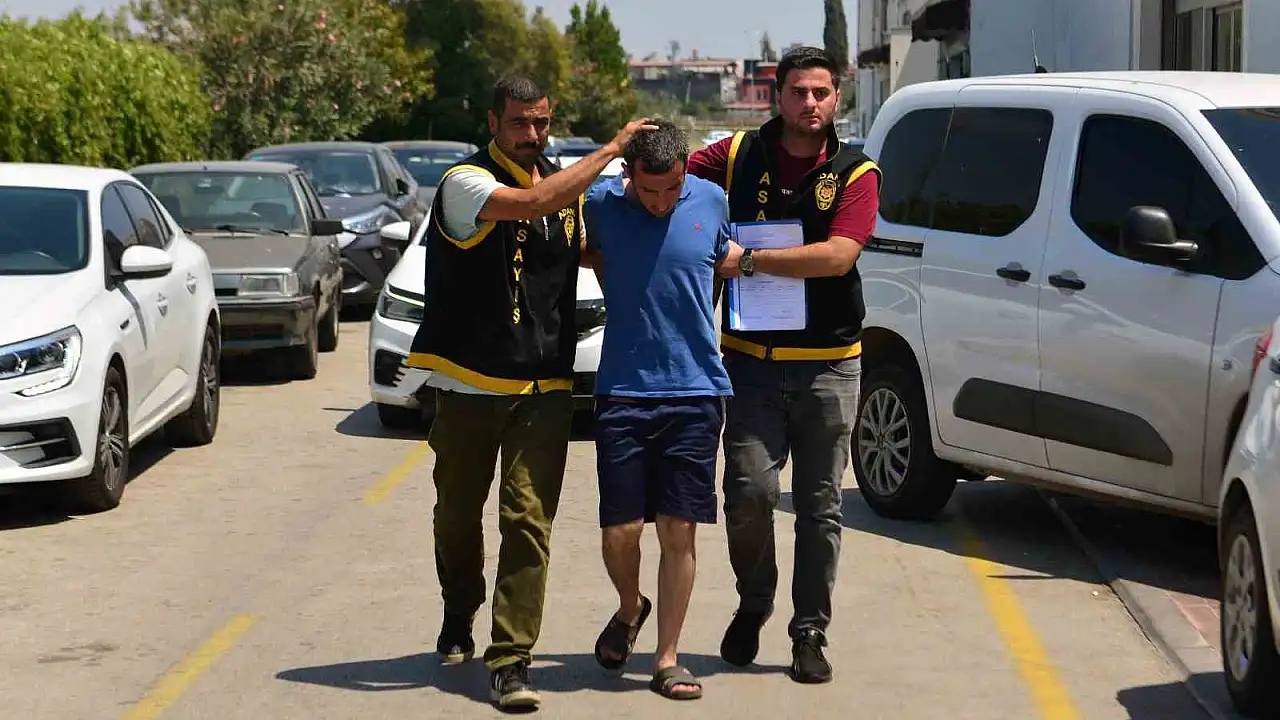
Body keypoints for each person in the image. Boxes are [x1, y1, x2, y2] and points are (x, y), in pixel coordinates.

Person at [405, 74, 655, 711]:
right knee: (456, 517)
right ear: (494, 123)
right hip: (469, 383)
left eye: (541, 122)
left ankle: (510, 660)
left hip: (545, 384)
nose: (532, 134)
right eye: (519, 122)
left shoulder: (564, 188)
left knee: (527, 522)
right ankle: (460, 605)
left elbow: (593, 246)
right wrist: (612, 149)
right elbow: (532, 203)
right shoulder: (465, 182)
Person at [686, 46, 882, 684]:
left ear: (837, 97)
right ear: (778, 96)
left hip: (830, 366)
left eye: (821, 92)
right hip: (752, 364)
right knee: (749, 493)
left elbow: (838, 256)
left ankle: (809, 632)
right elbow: (667, 175)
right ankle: (755, 600)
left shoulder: (857, 172)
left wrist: (746, 261)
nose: (810, 103)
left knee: (821, 507)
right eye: (799, 92)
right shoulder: (737, 154)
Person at [580, 120, 742, 701]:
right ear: (629, 175)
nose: (661, 202)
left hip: (696, 391)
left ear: (685, 172)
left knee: (679, 528)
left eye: (672, 189)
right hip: (623, 389)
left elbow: (718, 265)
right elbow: (595, 260)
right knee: (621, 531)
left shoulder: (712, 199)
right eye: (649, 192)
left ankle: (667, 657)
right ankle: (630, 607)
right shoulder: (602, 204)